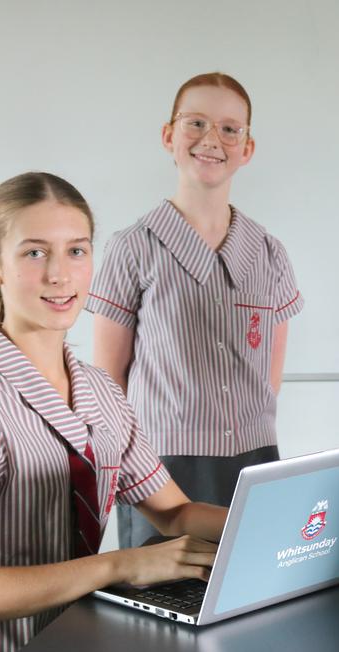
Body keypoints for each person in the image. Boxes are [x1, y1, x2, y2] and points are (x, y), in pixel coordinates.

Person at [0, 173, 226, 652]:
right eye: (34, 252)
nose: (60, 274)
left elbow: (175, 511)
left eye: (76, 251)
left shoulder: (100, 391)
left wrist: (272, 521)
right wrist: (122, 565)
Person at [87, 72, 303, 547]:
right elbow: (108, 384)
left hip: (255, 459)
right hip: (161, 469)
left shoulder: (269, 253)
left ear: (247, 148)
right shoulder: (133, 248)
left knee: (256, 592)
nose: (212, 139)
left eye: (230, 129)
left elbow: (269, 378)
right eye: (196, 123)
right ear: (169, 136)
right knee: (167, 605)